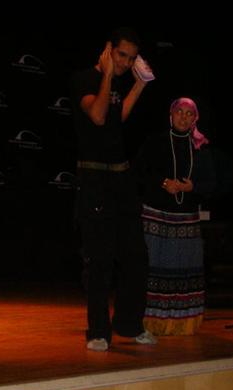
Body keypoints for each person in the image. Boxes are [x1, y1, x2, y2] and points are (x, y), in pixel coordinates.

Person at [69, 26, 157, 351]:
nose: (125, 63)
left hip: (121, 178)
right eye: (122, 55)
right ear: (109, 49)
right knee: (100, 258)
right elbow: (98, 115)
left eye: (131, 58)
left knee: (136, 256)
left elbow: (119, 117)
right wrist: (107, 74)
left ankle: (130, 326)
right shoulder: (84, 79)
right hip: (94, 179)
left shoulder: (119, 82)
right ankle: (98, 331)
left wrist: (140, 83)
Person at [133, 97, 216, 335]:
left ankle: (183, 322)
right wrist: (163, 183)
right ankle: (148, 322)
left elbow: (212, 183)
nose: (183, 117)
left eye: (189, 114)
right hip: (155, 218)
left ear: (195, 119)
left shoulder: (200, 148)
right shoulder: (155, 142)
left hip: (186, 221)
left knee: (184, 271)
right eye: (180, 112)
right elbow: (138, 172)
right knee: (152, 269)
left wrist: (192, 187)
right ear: (171, 115)